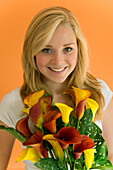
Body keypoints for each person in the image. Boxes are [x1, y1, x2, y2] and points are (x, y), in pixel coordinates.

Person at [0, 6, 113, 170]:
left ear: (78, 50)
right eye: (46, 50)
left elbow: (111, 157)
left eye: (67, 49)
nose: (58, 61)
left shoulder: (98, 91)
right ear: (33, 52)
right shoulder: (13, 102)